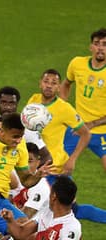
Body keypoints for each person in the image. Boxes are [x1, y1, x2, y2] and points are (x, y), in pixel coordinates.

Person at [13, 143, 106, 224]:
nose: (26, 164)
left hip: (55, 189)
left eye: (29, 161)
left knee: (76, 210)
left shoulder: (42, 182)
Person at [27, 69, 91, 176]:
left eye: (53, 83)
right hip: (33, 166)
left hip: (54, 168)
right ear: (40, 83)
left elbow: (86, 133)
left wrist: (72, 159)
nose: (49, 86)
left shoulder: (64, 108)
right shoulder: (34, 99)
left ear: (58, 88)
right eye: (46, 81)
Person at [60, 28, 106, 171]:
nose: (100, 48)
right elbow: (66, 83)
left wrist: (92, 124)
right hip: (77, 127)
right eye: (97, 43)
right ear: (90, 47)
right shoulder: (77, 64)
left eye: (105, 44)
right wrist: (62, 107)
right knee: (60, 166)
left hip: (102, 131)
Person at [0, 86, 52, 165]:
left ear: (17, 104)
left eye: (12, 103)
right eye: (3, 102)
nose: (7, 107)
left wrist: (28, 173)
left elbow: (46, 157)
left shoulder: (27, 126)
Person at [0, 175, 82, 240]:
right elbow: (21, 234)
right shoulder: (47, 212)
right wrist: (10, 220)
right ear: (74, 199)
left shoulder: (71, 228)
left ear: (53, 196)